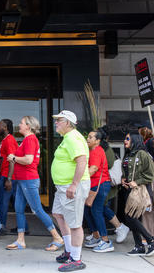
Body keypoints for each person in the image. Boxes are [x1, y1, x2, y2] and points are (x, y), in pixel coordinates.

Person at [6, 116, 63, 251]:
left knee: (37, 209)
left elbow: (28, 160)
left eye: (21, 123)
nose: (19, 125)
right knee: (19, 209)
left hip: (28, 179)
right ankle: (20, 240)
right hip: (22, 180)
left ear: (28, 126)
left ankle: (57, 237)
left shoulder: (30, 139)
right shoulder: (27, 139)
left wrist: (13, 157)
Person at [51, 110, 90, 272]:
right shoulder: (67, 138)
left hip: (71, 186)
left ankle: (76, 258)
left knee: (74, 223)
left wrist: (74, 185)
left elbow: (81, 161)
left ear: (67, 122)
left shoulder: (73, 138)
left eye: (59, 120)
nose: (56, 123)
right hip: (63, 187)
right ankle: (69, 251)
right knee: (58, 214)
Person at [121, 133, 154, 257]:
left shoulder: (143, 154)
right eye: (125, 138)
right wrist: (123, 179)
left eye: (127, 138)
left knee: (130, 217)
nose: (124, 140)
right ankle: (139, 246)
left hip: (139, 190)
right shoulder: (128, 154)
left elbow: (150, 174)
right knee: (133, 218)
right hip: (129, 190)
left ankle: (151, 240)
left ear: (135, 139)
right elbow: (127, 171)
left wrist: (136, 182)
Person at [82, 129, 114, 253]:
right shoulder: (94, 150)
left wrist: (79, 178)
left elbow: (93, 168)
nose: (88, 139)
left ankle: (105, 241)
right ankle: (96, 237)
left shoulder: (96, 151)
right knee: (89, 210)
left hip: (99, 185)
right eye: (88, 136)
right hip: (96, 185)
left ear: (97, 141)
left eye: (91, 137)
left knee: (96, 211)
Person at [0, 119, 19, 230]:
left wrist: (9, 179)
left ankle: (0, 227)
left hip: (8, 176)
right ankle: (23, 226)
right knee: (14, 202)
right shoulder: (5, 140)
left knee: (3, 203)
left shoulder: (9, 140)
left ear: (5, 127)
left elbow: (12, 160)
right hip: (6, 174)